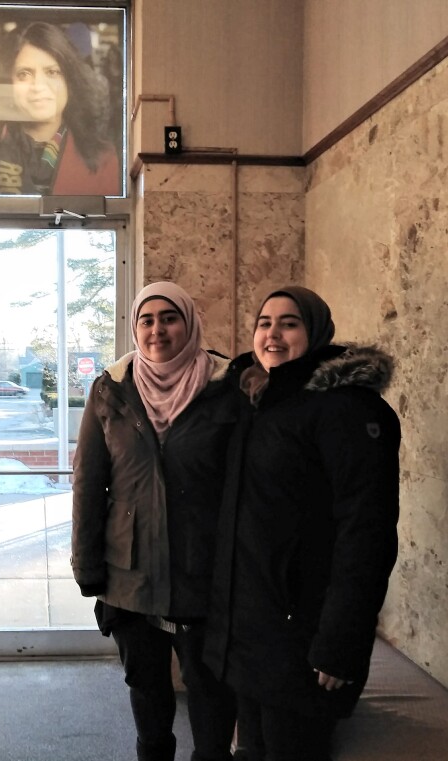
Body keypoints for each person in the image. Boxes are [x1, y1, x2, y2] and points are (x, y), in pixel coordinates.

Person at [204, 286, 401, 761]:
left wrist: (341, 643)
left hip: (304, 638)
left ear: (315, 333)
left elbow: (367, 532)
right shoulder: (259, 404)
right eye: (264, 322)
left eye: (289, 323)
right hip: (252, 633)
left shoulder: (347, 410)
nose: (272, 333)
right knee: (251, 749)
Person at [72, 282, 240, 761]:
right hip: (131, 578)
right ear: (133, 327)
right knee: (148, 703)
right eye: (146, 319)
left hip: (205, 574)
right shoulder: (111, 387)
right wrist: (87, 564)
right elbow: (88, 481)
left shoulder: (228, 386)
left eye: (169, 317)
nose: (157, 329)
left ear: (189, 323)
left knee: (211, 700)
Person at [0, 21, 120, 196]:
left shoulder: (102, 158)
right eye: (24, 74)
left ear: (70, 81)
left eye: (52, 72)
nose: (38, 86)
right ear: (8, 82)